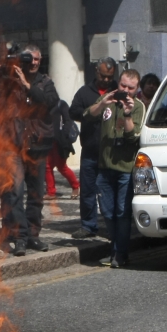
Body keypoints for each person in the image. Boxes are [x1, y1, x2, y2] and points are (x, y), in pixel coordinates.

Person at [0, 44, 59, 255]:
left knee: (37, 194)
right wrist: (3, 78)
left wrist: (27, 86)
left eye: (36, 59)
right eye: (29, 59)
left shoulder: (45, 82)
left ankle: (33, 235)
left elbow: (50, 103)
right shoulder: (9, 81)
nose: (33, 63)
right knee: (16, 192)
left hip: (36, 145)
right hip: (12, 145)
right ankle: (20, 236)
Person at [85, 69, 144, 268]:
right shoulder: (107, 99)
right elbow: (88, 115)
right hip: (105, 166)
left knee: (122, 212)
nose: (125, 91)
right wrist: (102, 103)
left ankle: (120, 253)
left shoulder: (137, 106)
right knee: (108, 212)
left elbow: (133, 136)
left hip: (125, 168)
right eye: (123, 86)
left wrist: (127, 114)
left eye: (130, 88)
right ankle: (115, 250)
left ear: (137, 89)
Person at [69, 59, 118, 239]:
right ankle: (88, 225)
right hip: (90, 149)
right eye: (103, 76)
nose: (106, 80)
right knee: (88, 189)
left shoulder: (118, 91)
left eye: (110, 77)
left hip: (112, 152)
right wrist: (92, 112)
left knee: (110, 191)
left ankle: (113, 226)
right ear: (96, 72)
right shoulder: (85, 92)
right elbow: (73, 111)